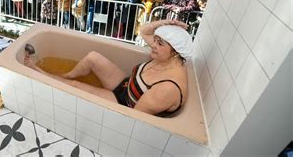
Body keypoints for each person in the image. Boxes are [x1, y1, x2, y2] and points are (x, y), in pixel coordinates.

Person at [24, 19, 192, 116]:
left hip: (125, 104)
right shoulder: (165, 55)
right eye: (155, 40)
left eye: (159, 43)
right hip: (127, 86)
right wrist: (168, 23)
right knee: (93, 57)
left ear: (176, 52)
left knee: (76, 87)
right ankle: (67, 75)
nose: (153, 45)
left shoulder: (168, 88)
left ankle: (36, 71)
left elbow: (132, 118)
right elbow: (144, 31)